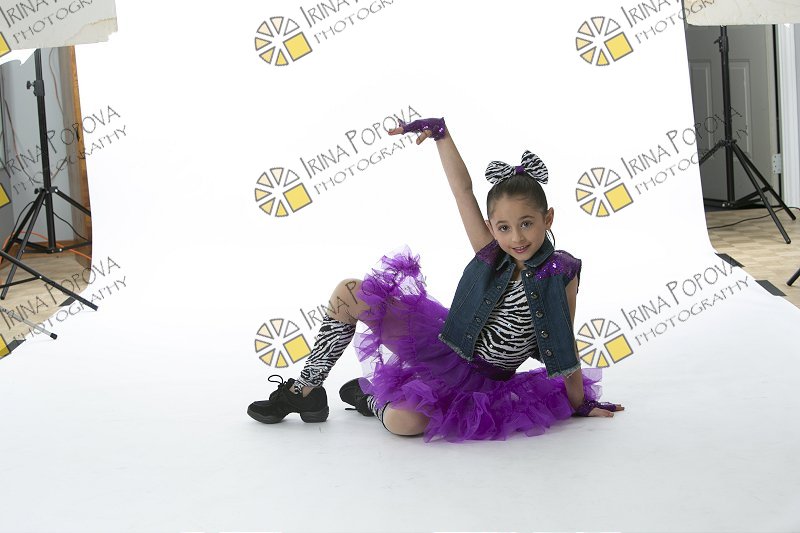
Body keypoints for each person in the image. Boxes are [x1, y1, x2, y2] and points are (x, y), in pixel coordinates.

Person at [247, 117, 624, 442]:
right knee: (349, 292)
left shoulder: (560, 272)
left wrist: (580, 402)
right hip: (444, 341)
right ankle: (307, 389)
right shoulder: (491, 253)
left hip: (481, 380)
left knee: (404, 423)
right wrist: (442, 135)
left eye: (526, 224)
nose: (517, 238)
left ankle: (372, 399)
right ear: (492, 227)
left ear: (548, 218)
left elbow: (562, 341)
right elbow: (463, 192)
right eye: (504, 227)